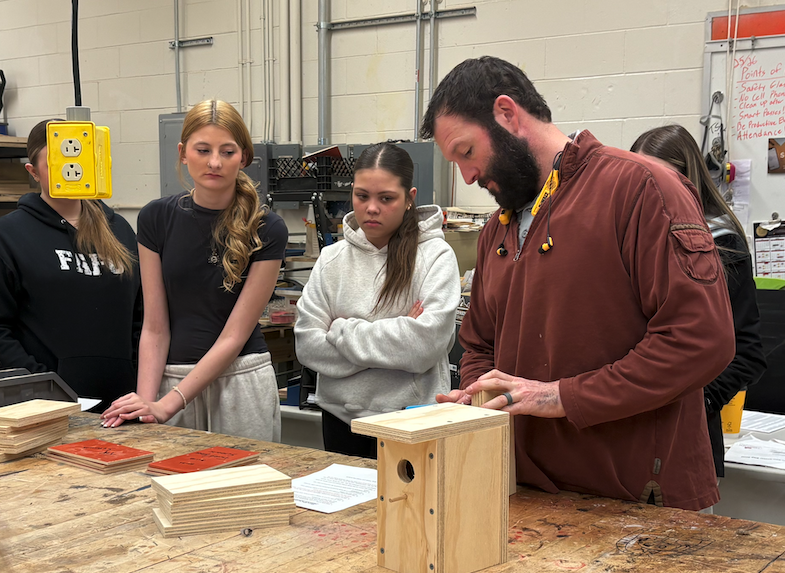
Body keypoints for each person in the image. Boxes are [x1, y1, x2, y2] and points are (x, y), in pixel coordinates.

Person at [421, 56, 735, 511]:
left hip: (635, 501)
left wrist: (562, 397)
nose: (467, 176)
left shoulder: (641, 189)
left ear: (507, 114)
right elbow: (479, 344)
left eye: (467, 152)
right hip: (524, 492)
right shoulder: (498, 230)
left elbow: (699, 340)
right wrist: (479, 395)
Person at [101, 100, 287, 441]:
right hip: (170, 379)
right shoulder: (155, 218)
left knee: (240, 477)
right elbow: (155, 327)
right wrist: (146, 403)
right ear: (183, 153)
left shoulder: (267, 228)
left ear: (244, 157)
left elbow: (234, 336)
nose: (214, 162)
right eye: (203, 150)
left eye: (227, 152)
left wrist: (168, 404)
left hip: (239, 383)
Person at [294, 143, 459, 458]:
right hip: (341, 420)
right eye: (362, 196)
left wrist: (340, 330)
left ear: (409, 198)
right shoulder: (331, 260)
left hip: (412, 419)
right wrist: (400, 332)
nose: (371, 208)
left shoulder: (436, 257)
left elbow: (424, 346)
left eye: (386, 198)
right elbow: (307, 345)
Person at [632, 124, 767, 478]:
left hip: (687, 436)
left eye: (657, 177)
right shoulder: (632, 240)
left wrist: (700, 401)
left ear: (686, 178)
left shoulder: (720, 243)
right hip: (631, 431)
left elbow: (747, 353)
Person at [0, 120, 141, 410]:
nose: (70, 171)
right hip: (47, 407)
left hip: (124, 404)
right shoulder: (9, 235)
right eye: (56, 163)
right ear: (33, 172)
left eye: (77, 161)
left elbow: (141, 316)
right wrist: (44, 387)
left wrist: (141, 382)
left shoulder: (120, 230)